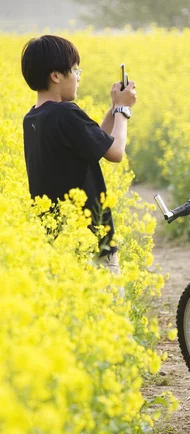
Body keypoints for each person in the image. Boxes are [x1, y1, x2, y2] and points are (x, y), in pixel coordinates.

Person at [21, 34, 137, 275]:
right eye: (75, 71)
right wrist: (124, 111)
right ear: (56, 75)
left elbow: (96, 142)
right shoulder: (65, 113)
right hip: (91, 240)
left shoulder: (33, 118)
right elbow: (115, 152)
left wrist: (115, 107)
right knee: (107, 309)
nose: (78, 78)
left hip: (59, 239)